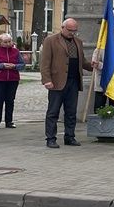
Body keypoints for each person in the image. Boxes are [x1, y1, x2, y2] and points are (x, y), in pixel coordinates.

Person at [39, 18, 94, 148]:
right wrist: (47, 80)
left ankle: (70, 137)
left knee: (71, 112)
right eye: (70, 30)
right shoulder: (51, 40)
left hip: (73, 81)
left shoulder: (78, 42)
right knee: (53, 112)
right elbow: (45, 62)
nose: (72, 33)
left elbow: (82, 61)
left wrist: (92, 66)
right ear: (62, 27)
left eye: (75, 31)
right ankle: (50, 138)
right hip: (57, 81)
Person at [0, 33, 24, 129]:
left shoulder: (16, 51)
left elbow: (22, 64)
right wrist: (2, 65)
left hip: (12, 79)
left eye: (9, 41)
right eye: (5, 42)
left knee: (10, 100)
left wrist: (14, 66)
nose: (8, 44)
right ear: (0, 43)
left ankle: (9, 121)